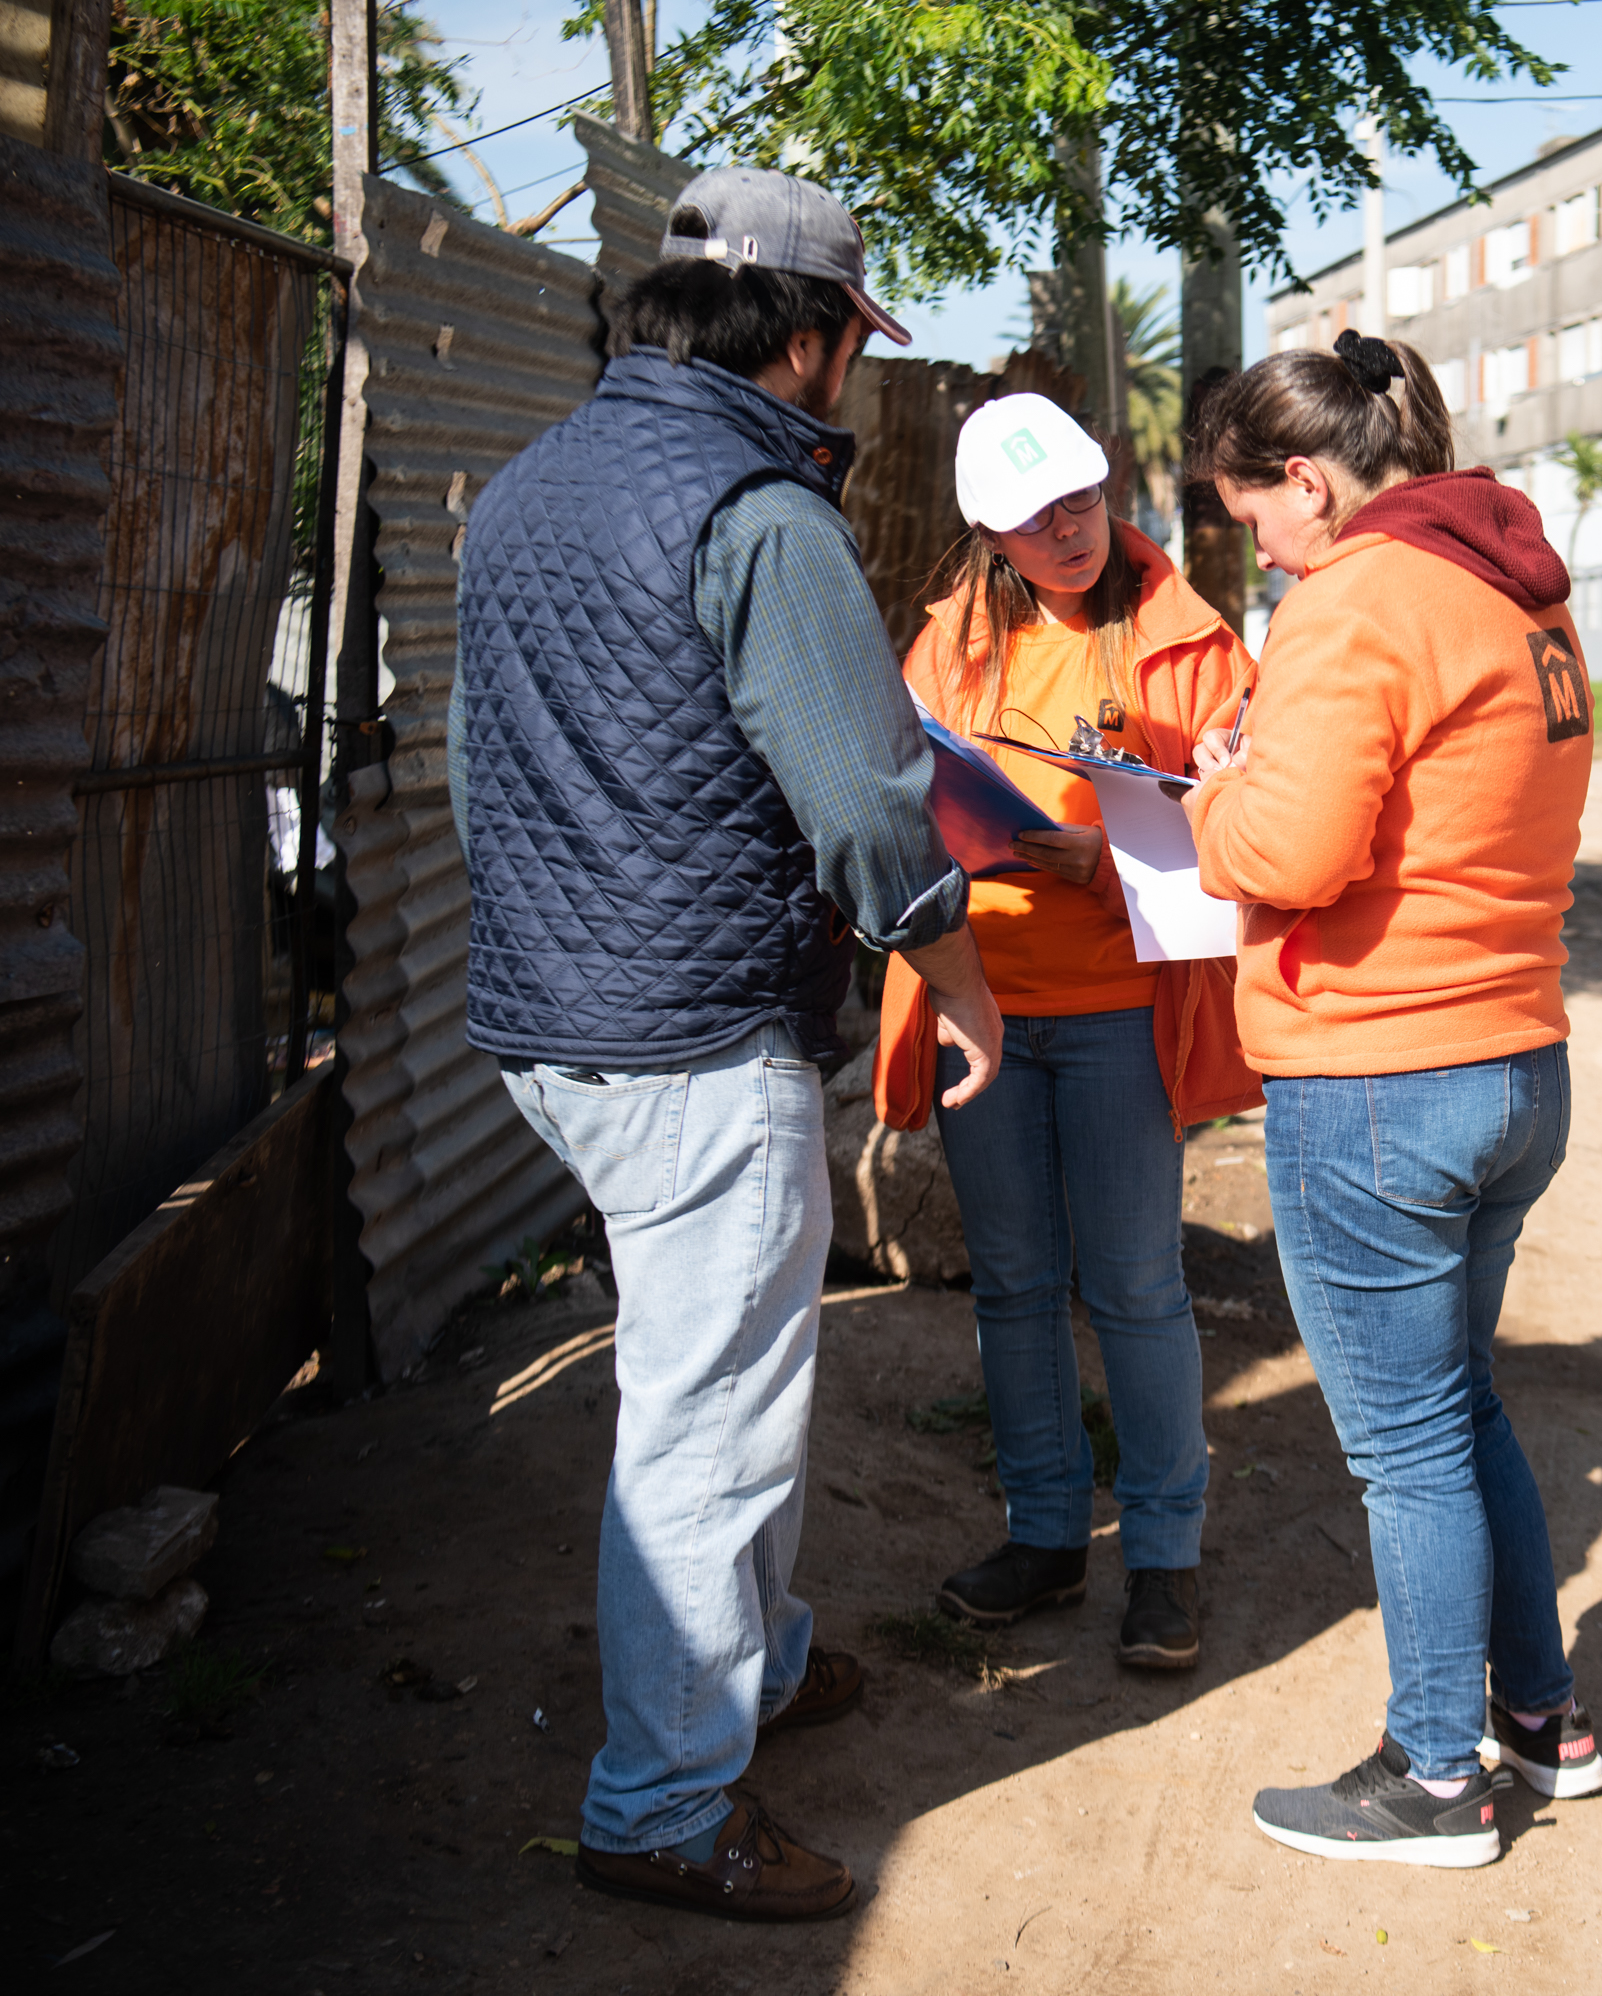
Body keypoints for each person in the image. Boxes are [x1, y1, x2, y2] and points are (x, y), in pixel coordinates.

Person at [451, 168, 1005, 1921]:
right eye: (854, 336)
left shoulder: (534, 486)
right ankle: (668, 1802)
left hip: (555, 1019)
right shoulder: (763, 512)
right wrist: (956, 971)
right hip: (694, 1034)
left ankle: (753, 1664)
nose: (852, 372)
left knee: (723, 1369)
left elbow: (482, 769)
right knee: (710, 1414)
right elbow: (863, 795)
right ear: (815, 334)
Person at [1183, 330, 1602, 1868]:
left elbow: (1288, 855)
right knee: (1456, 1401)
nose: (1263, 556)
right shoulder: (1522, 584)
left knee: (1408, 1444)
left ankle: (1437, 1773)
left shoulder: (1355, 594)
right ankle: (1544, 1720)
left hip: (1377, 1074)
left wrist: (1214, 790)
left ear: (1307, 479)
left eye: (1256, 523)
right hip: (1512, 1052)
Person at [871, 392, 1260, 1670]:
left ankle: (1164, 1559)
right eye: (1038, 520)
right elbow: (895, 791)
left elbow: (1251, 821)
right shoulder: (944, 647)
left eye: (1083, 500)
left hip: (1115, 1010)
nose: (1071, 531)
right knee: (1017, 1286)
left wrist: (1105, 855)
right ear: (990, 533)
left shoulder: (1194, 644)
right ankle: (1044, 1534)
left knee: (1138, 1285)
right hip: (976, 1005)